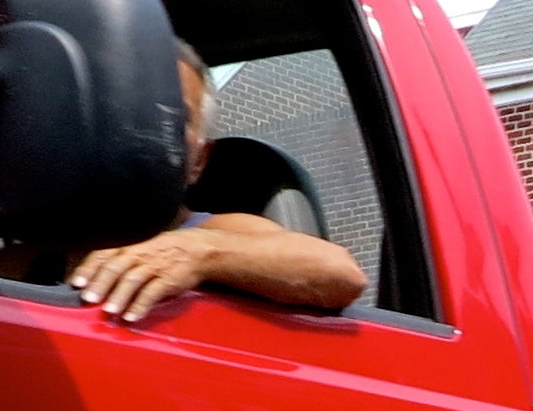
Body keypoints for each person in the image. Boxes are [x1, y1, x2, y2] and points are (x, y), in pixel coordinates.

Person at [25, 45, 370, 324]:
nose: (139, 127)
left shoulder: (218, 230)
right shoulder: (31, 259)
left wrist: (194, 253)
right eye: (119, 108)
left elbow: (340, 273)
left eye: (171, 117)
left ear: (201, 160)